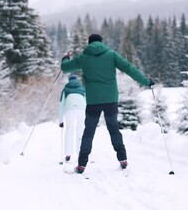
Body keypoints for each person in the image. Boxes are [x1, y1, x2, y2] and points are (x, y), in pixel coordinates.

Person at [61, 33, 155, 174]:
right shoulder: (111, 55)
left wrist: (65, 58)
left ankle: (81, 165)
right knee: (113, 129)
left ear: (89, 43)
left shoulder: (84, 58)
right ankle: (123, 160)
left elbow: (65, 68)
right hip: (110, 100)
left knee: (88, 132)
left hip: (93, 101)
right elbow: (129, 68)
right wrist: (146, 82)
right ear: (101, 42)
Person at [58, 74, 86, 163]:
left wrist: (61, 121)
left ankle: (68, 154)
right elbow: (87, 101)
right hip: (81, 110)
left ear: (69, 80)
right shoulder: (82, 88)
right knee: (80, 131)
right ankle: (80, 153)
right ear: (77, 80)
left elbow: (61, 105)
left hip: (69, 110)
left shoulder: (65, 89)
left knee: (69, 131)